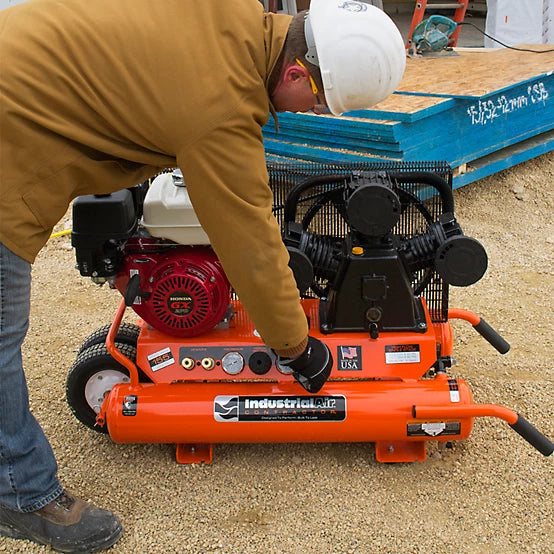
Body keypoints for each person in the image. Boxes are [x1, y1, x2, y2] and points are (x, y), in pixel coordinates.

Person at [0, 0, 405, 550]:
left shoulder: (231, 15)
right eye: (318, 100)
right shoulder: (221, 109)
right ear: (293, 72)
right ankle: (21, 492)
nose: (313, 112)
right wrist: (297, 348)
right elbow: (251, 246)